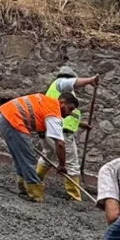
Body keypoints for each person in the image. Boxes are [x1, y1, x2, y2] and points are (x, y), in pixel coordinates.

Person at [0, 91, 80, 202]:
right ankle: (35, 194)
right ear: (62, 102)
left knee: (21, 158)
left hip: (4, 115)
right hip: (13, 119)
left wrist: (41, 131)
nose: (70, 113)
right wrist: (62, 165)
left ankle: (23, 188)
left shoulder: (47, 102)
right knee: (28, 158)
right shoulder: (54, 110)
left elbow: (36, 115)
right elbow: (59, 144)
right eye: (70, 108)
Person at [39, 67, 98, 200]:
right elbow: (63, 115)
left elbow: (69, 116)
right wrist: (90, 80)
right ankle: (74, 196)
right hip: (61, 132)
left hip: (50, 128)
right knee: (72, 163)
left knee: (47, 156)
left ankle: (35, 179)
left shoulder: (63, 93)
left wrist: (83, 125)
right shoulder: (61, 84)